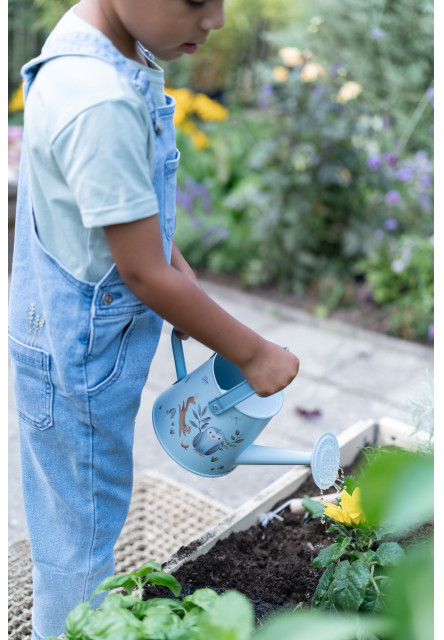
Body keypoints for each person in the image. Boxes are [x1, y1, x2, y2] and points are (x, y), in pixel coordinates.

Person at [8, 1, 300, 638]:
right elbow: (142, 274)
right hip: (76, 364)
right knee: (83, 545)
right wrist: (253, 354)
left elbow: (105, 206)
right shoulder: (102, 102)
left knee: (70, 521)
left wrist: (171, 260)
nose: (216, 20)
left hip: (51, 337)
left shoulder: (89, 45)